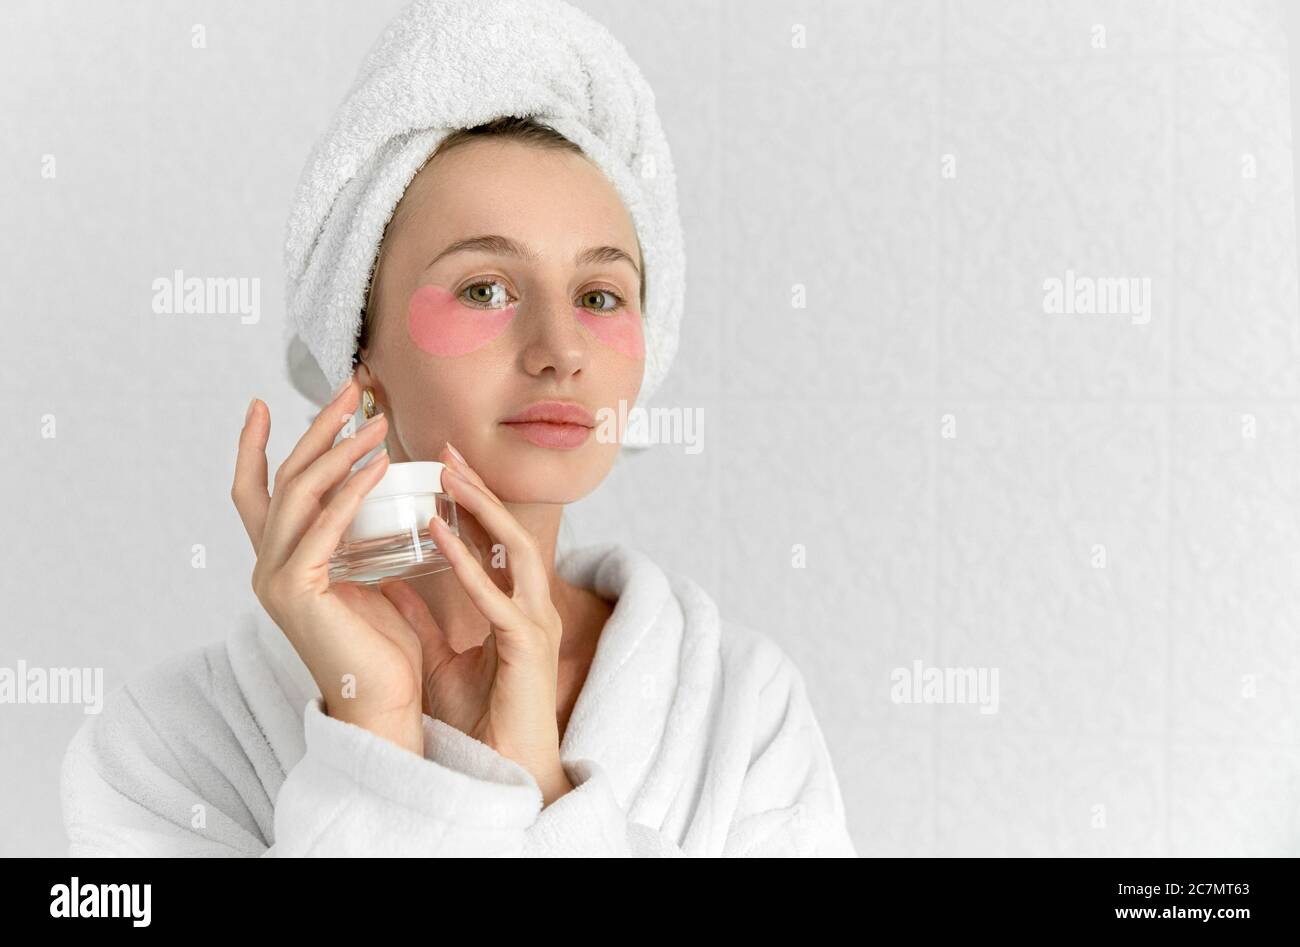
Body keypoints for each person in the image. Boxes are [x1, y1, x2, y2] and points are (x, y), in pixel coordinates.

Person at [59, 1, 858, 858]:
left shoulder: (743, 714)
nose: (560, 350)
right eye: (484, 288)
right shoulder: (170, 748)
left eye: (599, 296)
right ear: (358, 353)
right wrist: (378, 723)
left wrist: (545, 792)